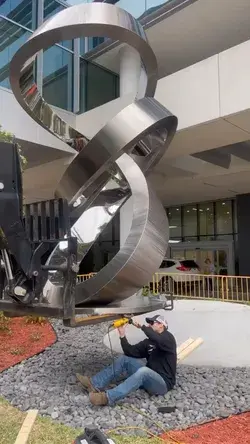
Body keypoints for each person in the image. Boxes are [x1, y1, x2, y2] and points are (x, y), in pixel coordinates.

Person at [76, 314, 177, 406]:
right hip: (149, 378)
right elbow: (130, 351)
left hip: (163, 384)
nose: (149, 325)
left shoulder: (168, 338)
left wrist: (142, 327)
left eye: (152, 322)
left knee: (144, 371)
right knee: (126, 359)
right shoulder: (149, 343)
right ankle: (94, 383)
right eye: (148, 323)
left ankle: (107, 398)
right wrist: (122, 335)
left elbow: (157, 338)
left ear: (161, 325)